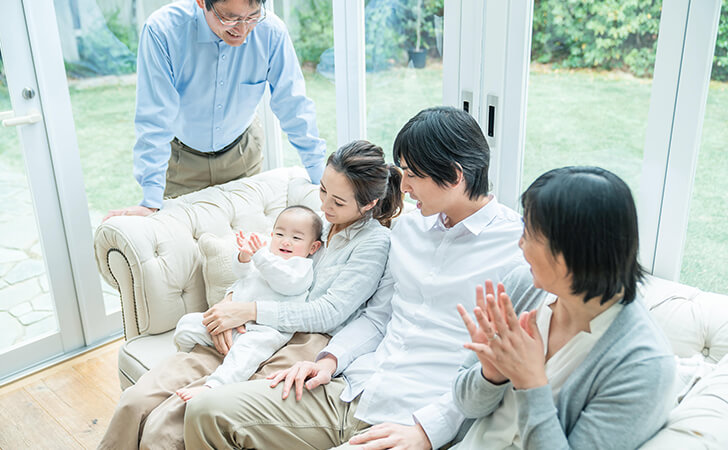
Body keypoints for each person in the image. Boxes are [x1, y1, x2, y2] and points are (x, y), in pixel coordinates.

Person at [183, 106, 526, 449]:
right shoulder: (407, 230)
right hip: (354, 388)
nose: (403, 186)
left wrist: (428, 431)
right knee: (205, 410)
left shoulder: (515, 251)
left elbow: (495, 369)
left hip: (410, 418)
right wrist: (330, 359)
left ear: (453, 175)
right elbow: (379, 317)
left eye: (412, 175)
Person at [98, 140, 403, 449]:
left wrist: (250, 311)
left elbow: (328, 312)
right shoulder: (317, 223)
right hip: (245, 326)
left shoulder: (374, 243)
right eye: (323, 190)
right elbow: (264, 267)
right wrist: (230, 304)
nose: (324, 206)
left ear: (368, 204)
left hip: (297, 344)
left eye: (337, 202)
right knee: (135, 401)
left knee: (166, 425)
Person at [452, 166, 677, 449]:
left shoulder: (643, 367)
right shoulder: (524, 286)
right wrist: (491, 374)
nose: (520, 244)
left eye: (530, 235)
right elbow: (465, 405)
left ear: (573, 252)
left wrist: (530, 382)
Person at [103, 0, 326, 222]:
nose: (242, 29)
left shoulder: (271, 32)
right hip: (181, 160)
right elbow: (155, 116)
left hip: (242, 153)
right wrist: (151, 200)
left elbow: (293, 105)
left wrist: (321, 179)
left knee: (245, 242)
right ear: (202, 2)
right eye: (230, 17)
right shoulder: (163, 31)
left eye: (252, 16)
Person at [174, 205, 323, 402]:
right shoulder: (266, 257)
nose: (286, 241)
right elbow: (243, 277)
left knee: (246, 353)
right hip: (232, 322)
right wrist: (244, 258)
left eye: (296, 238)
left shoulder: (300, 268)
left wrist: (260, 256)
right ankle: (191, 355)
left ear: (313, 247)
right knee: (187, 324)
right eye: (279, 234)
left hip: (265, 330)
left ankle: (213, 386)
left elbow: (285, 282)